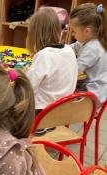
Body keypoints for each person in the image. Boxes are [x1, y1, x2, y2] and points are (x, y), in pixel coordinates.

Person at [26, 7, 78, 135]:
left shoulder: (44, 55)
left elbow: (29, 89)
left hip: (41, 114)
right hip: (64, 112)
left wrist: (24, 74)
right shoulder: (69, 50)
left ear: (35, 33)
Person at [69, 3, 107, 105]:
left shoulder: (93, 47)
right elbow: (73, 47)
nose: (72, 34)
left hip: (93, 96)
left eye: (74, 31)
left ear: (87, 31)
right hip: (95, 91)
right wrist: (60, 50)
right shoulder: (91, 40)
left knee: (57, 95)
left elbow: (75, 71)